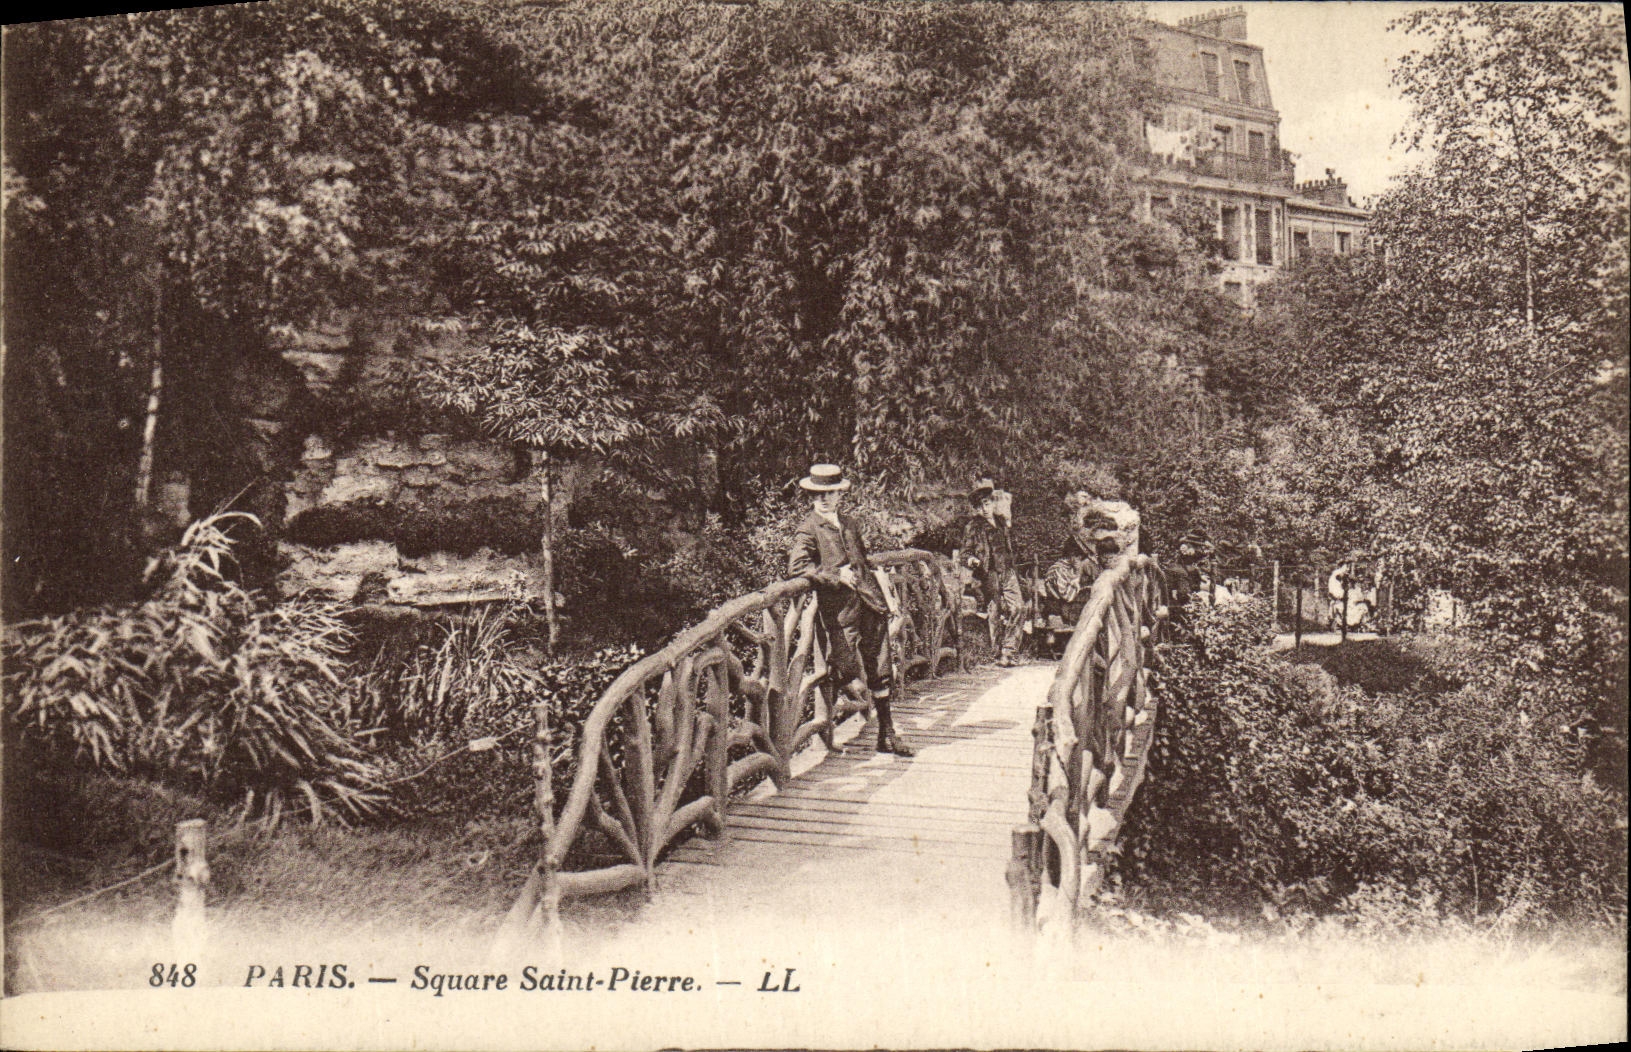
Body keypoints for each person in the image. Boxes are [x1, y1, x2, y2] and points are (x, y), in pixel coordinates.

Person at [787, 464, 914, 757]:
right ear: (811, 496)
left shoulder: (851, 523)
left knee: (881, 669)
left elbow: (864, 561)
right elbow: (797, 568)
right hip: (840, 610)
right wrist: (834, 575)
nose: (824, 499)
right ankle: (824, 732)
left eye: (830, 493)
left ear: (839, 495)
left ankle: (887, 733)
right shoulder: (809, 528)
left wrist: (885, 591)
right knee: (843, 668)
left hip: (870, 603)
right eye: (818, 494)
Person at [957, 477, 1024, 667]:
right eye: (980, 506)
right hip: (989, 574)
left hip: (1007, 571)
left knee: (1018, 607)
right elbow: (964, 553)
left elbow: (1010, 547)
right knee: (994, 612)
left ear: (993, 503)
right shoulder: (973, 527)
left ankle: (1009, 650)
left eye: (987, 504)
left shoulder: (1002, 523)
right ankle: (998, 653)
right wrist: (971, 559)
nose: (984, 509)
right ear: (976, 509)